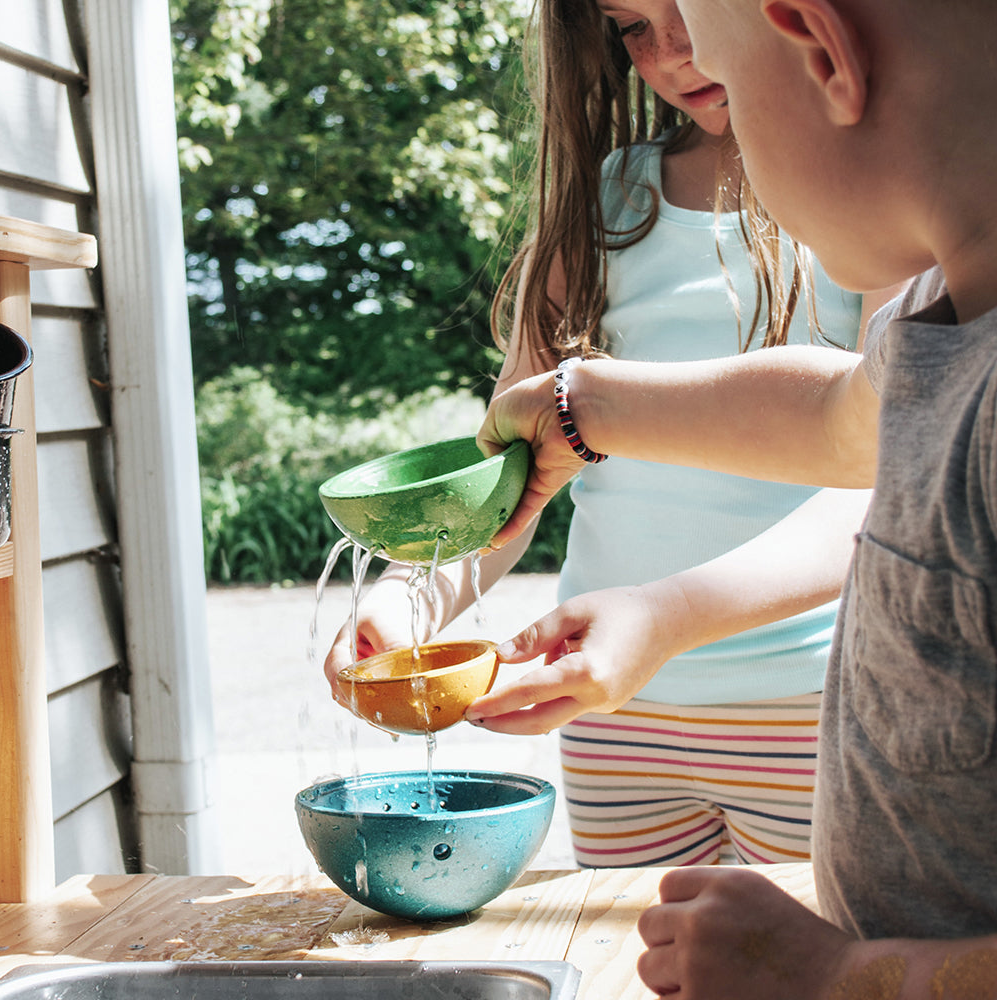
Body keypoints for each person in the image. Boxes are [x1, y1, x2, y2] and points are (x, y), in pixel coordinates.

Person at [477, 0, 997, 992]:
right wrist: (581, 404)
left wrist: (840, 977)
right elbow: (846, 415)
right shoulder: (939, 323)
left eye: (712, 53)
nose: (674, 67)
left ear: (819, 47)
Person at [325, 0, 884, 868]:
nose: (670, 54)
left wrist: (664, 619)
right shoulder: (604, 202)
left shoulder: (867, 184)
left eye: (685, 10)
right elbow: (509, 469)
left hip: (811, 703)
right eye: (631, 28)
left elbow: (887, 472)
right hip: (614, 717)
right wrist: (410, 597)